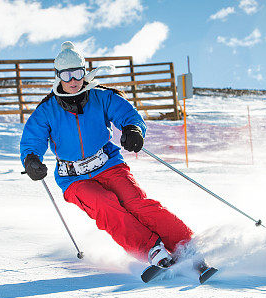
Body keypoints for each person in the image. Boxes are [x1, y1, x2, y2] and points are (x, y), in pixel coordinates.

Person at [20, 41, 199, 270]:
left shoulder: (101, 97)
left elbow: (128, 114)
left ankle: (185, 243)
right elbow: (32, 140)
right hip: (74, 178)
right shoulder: (47, 110)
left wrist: (133, 130)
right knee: (105, 205)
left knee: (135, 202)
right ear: (58, 77)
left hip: (108, 164)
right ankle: (151, 249)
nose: (73, 81)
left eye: (77, 73)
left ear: (85, 72)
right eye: (67, 75)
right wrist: (31, 159)